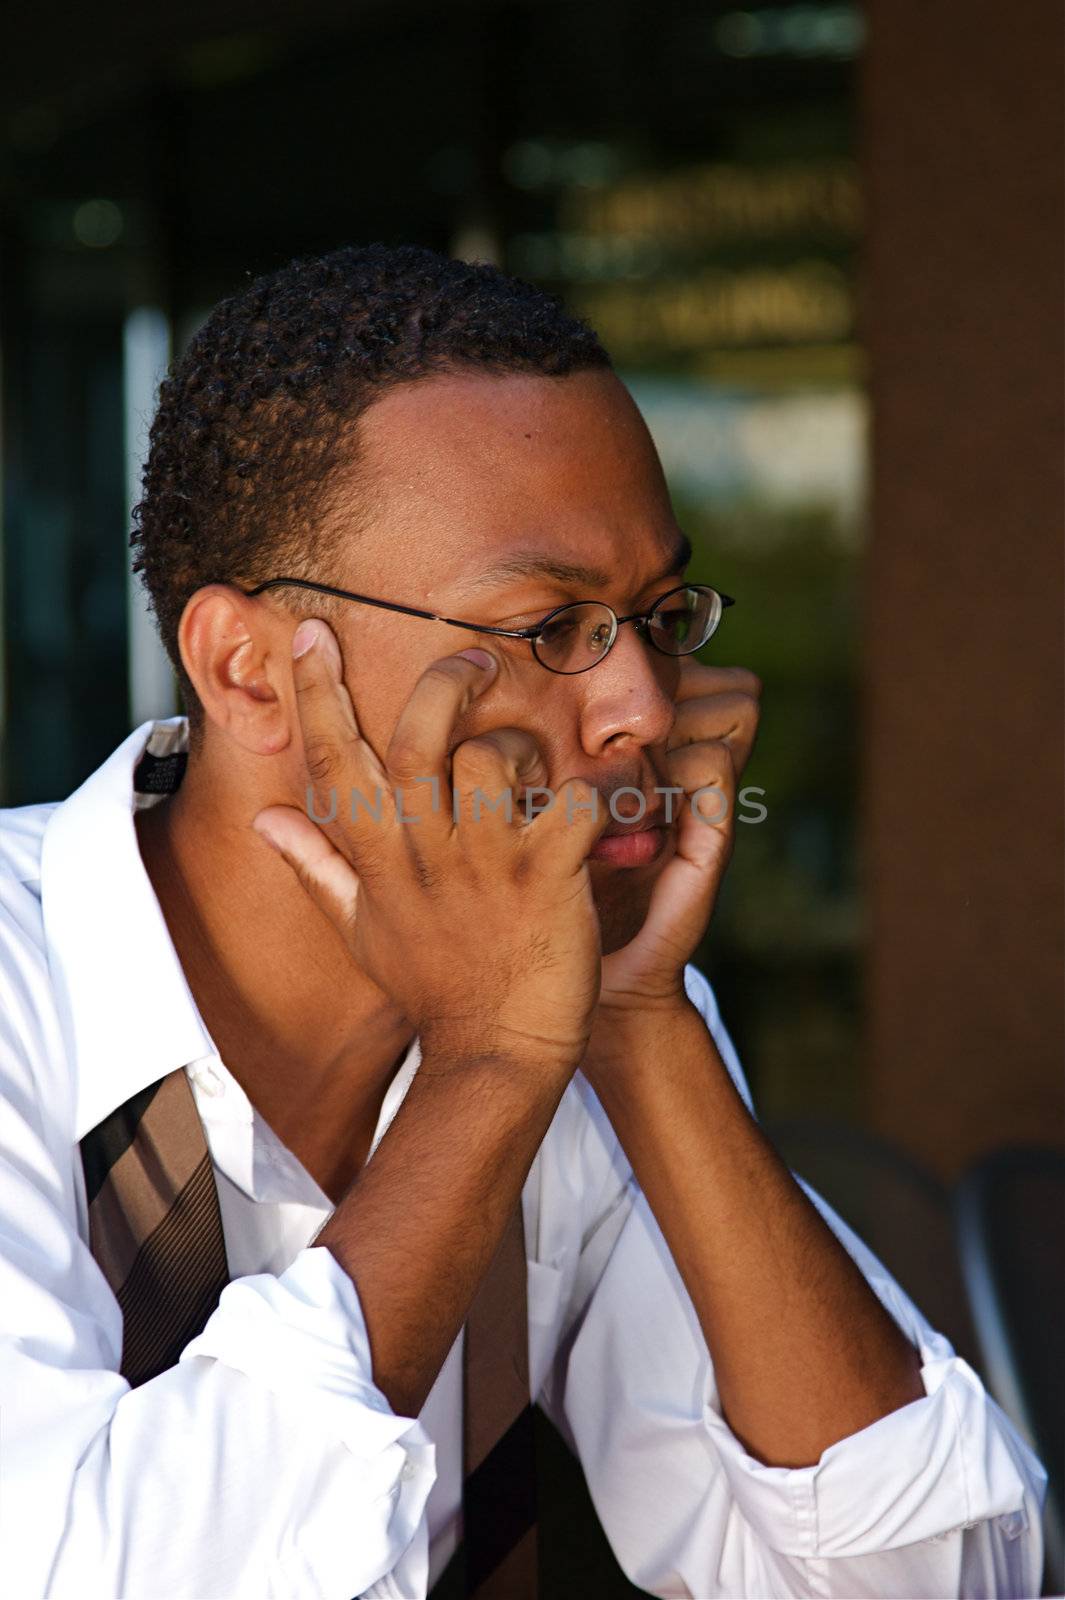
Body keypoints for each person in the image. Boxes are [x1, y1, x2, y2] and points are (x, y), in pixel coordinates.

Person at [0, 243, 1045, 1600]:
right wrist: (487, 1072)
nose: (649, 711)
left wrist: (634, 1018)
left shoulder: (568, 991)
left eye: (658, 615)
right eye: (551, 625)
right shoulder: (29, 989)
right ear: (248, 669)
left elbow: (925, 1582)